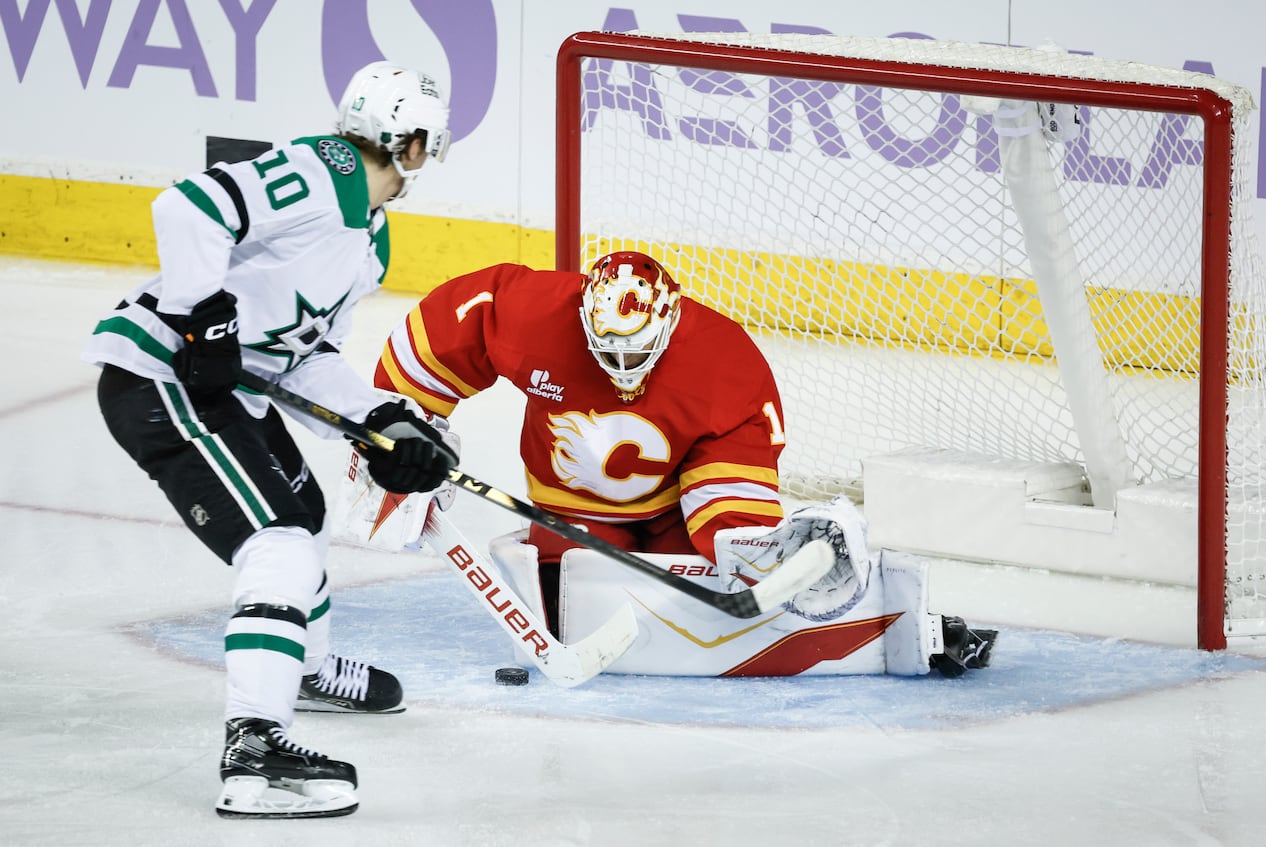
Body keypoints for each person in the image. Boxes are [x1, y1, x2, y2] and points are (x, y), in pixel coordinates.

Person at [81, 61, 459, 819]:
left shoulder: (370, 241)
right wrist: (201, 312)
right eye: (423, 141)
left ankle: (304, 670)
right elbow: (189, 207)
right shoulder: (326, 168)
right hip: (164, 378)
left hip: (226, 388)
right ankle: (254, 750)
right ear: (410, 142)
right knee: (279, 541)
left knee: (306, 516)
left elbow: (304, 359)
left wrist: (381, 420)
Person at [367, 252, 996, 676]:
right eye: (604, 349)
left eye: (635, 352)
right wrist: (407, 426)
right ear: (582, 314)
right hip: (568, 517)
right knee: (572, 606)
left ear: (670, 322)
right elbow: (444, 331)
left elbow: (730, 468)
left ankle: (893, 619)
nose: (620, 368)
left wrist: (740, 545)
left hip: (675, 509)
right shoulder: (533, 314)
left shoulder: (721, 359)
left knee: (742, 571)